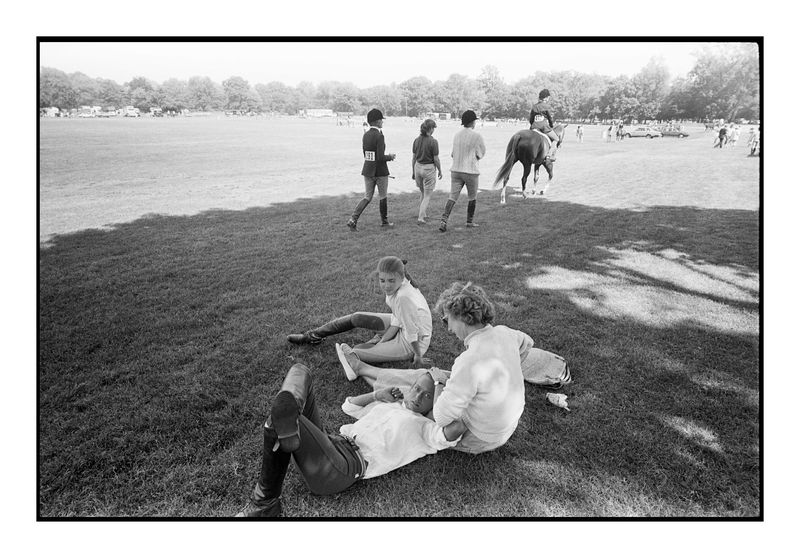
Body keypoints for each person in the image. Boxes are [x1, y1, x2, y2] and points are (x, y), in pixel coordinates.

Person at [235, 363, 466, 517]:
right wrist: (377, 395)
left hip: (343, 467)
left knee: (279, 418)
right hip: (332, 442)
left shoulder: (427, 430)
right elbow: (349, 406)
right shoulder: (393, 404)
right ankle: (289, 428)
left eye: (427, 396)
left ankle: (264, 504)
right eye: (416, 388)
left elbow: (450, 433)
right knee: (300, 371)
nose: (417, 396)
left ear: (435, 404)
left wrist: (440, 386)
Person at [342, 282, 526, 455]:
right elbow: (526, 345)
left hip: (478, 438)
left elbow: (441, 418)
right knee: (426, 379)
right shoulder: (505, 332)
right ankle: (364, 370)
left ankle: (366, 374)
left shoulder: (470, 360)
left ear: (462, 317)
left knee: (423, 388)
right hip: (504, 428)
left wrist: (439, 382)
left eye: (447, 320)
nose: (449, 329)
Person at [287, 256, 433, 366]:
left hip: (413, 341)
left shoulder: (403, 296)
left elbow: (412, 330)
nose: (386, 286)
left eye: (391, 281)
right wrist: (384, 339)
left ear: (401, 278)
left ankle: (375, 346)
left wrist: (418, 355)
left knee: (354, 352)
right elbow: (398, 318)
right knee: (356, 317)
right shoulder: (400, 284)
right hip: (402, 324)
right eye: (382, 280)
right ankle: (312, 336)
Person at [347, 108, 396, 231]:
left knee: (367, 197)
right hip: (380, 171)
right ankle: (384, 222)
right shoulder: (379, 136)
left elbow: (366, 154)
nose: (382, 122)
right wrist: (390, 157)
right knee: (383, 196)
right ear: (377, 121)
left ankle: (353, 218)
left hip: (368, 169)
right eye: (381, 120)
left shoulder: (365, 135)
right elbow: (380, 157)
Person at [438, 110, 486, 233]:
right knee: (472, 197)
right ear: (472, 122)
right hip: (470, 171)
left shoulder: (457, 135)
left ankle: (444, 220)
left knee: (452, 197)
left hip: (456, 170)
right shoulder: (477, 136)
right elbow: (481, 153)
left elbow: (453, 154)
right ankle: (469, 221)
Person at [411, 118, 443, 225]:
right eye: (433, 128)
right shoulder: (433, 142)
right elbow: (436, 159)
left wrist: (413, 172)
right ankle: (421, 217)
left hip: (418, 167)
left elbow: (413, 158)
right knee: (428, 195)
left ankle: (423, 213)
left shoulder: (416, 140)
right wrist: (440, 170)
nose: (434, 130)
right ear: (430, 129)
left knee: (422, 192)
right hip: (429, 168)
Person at [529, 88, 560, 160]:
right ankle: (549, 155)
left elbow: (531, 119)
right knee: (556, 139)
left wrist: (533, 126)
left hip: (534, 127)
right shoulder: (547, 106)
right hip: (544, 127)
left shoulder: (534, 106)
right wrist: (551, 126)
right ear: (546, 98)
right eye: (548, 98)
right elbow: (550, 118)